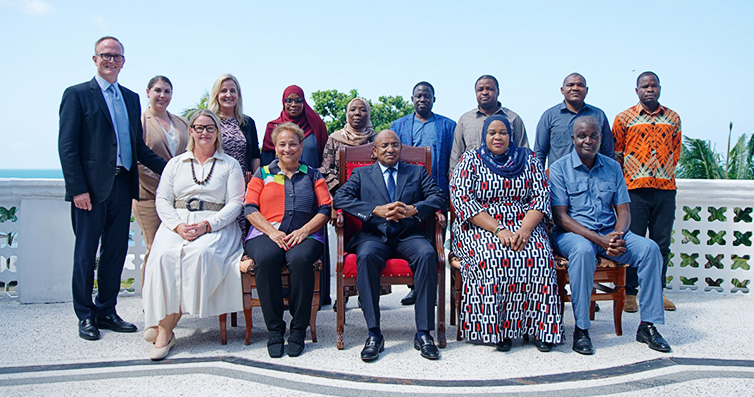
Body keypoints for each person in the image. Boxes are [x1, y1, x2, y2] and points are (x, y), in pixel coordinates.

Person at [58, 36, 167, 341]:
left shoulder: (131, 98)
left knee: (115, 252)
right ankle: (85, 315)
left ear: (123, 61)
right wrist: (78, 189)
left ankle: (107, 310)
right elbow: (67, 147)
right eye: (105, 55)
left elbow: (138, 148)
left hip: (123, 185)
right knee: (85, 254)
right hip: (90, 190)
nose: (111, 60)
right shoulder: (77, 95)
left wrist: (174, 169)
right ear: (95, 59)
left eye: (116, 56)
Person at [549, 116, 671, 355]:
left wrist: (617, 235)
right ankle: (582, 329)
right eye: (582, 136)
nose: (588, 140)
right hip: (573, 234)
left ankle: (648, 325)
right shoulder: (559, 168)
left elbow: (623, 210)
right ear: (573, 138)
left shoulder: (613, 167)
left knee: (650, 249)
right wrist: (599, 240)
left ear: (601, 138)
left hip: (609, 232)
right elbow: (561, 217)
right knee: (583, 251)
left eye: (593, 136)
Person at [333, 130, 448, 362]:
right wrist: (375, 210)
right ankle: (374, 333)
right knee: (365, 256)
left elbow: (438, 197)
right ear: (374, 151)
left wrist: (414, 209)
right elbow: (340, 199)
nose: (390, 149)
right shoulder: (361, 174)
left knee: (427, 254)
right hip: (374, 236)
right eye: (384, 145)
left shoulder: (416, 171)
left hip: (408, 235)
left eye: (395, 145)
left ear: (401, 148)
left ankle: (424, 333)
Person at [450, 115, 561, 353]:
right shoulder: (471, 159)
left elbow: (541, 196)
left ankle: (540, 329)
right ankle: (497, 330)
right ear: (484, 136)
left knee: (539, 258)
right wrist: (498, 229)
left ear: (511, 136)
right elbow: (462, 199)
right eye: (492, 133)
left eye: (503, 132)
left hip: (525, 225)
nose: (497, 137)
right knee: (493, 258)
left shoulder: (529, 160)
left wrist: (526, 229)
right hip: (481, 226)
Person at [142, 109, 245, 361]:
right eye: (199, 127)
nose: (204, 132)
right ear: (191, 131)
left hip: (215, 224)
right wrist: (177, 226)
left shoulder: (229, 165)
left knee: (200, 253)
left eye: (210, 127)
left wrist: (207, 226)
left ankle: (164, 329)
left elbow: (235, 203)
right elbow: (163, 200)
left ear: (217, 131)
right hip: (178, 222)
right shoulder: (175, 164)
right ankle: (164, 327)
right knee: (163, 254)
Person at [243, 122, 332, 358]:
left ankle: (298, 329)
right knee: (267, 257)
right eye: (282, 144)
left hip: (306, 234)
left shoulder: (313, 174)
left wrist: (304, 231)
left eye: (293, 144)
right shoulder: (262, 173)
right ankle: (274, 330)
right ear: (275, 147)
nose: (287, 149)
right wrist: (272, 233)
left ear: (301, 147)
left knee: (301, 259)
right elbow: (250, 208)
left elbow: (325, 208)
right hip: (265, 233)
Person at [613, 72, 681, 313]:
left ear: (660, 88)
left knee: (662, 243)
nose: (649, 89)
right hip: (634, 190)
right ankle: (629, 293)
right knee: (634, 241)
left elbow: (675, 152)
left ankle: (657, 292)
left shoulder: (673, 118)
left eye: (654, 86)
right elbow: (617, 155)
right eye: (645, 86)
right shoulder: (624, 119)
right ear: (637, 90)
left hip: (665, 190)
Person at [391, 81, 456, 306]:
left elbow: (452, 161)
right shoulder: (397, 126)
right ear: (412, 99)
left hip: (437, 193)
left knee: (434, 240)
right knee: (410, 238)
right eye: (418, 96)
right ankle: (414, 288)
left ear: (433, 99)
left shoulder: (448, 126)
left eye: (427, 96)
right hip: (407, 194)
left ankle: (431, 290)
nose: (422, 99)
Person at [133, 76, 190, 285]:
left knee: (174, 248)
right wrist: (165, 187)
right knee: (154, 247)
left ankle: (171, 298)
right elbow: (138, 162)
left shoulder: (182, 122)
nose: (162, 95)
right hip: (148, 196)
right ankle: (149, 299)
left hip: (180, 199)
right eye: (158, 90)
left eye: (167, 91)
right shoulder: (139, 122)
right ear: (148, 92)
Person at [533, 73, 613, 168]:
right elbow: (539, 152)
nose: (575, 88)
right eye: (570, 85)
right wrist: (539, 179)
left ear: (586, 90)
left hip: (593, 177)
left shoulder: (599, 115)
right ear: (562, 90)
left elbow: (608, 152)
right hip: (558, 179)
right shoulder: (549, 116)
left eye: (580, 85)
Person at [450, 75, 528, 170]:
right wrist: (453, 175)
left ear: (498, 91)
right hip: (472, 177)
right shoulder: (465, 120)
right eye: (480, 89)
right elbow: (456, 153)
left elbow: (523, 151)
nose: (484, 92)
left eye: (489, 89)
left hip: (507, 178)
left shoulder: (513, 118)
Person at [208, 74, 261, 182]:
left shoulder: (247, 122)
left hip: (242, 182)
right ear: (216, 95)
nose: (228, 95)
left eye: (233, 91)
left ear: (238, 94)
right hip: (214, 180)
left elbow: (255, 156)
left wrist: (256, 180)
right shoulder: (209, 121)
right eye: (223, 91)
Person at [260, 85, 328, 168]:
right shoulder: (273, 127)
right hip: (279, 178)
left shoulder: (317, 125)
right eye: (289, 101)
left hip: (312, 178)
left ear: (304, 102)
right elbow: (266, 161)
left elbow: (326, 159)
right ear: (283, 102)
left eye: (298, 100)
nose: (293, 104)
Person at [320, 97, 375, 194]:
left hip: (371, 192)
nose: (357, 113)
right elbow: (325, 169)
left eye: (362, 110)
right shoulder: (335, 139)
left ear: (369, 114)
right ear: (347, 114)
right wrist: (342, 187)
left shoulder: (375, 140)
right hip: (341, 191)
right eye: (352, 109)